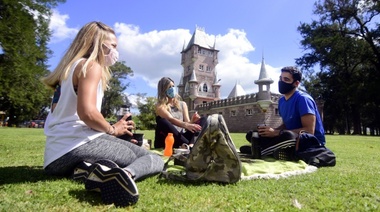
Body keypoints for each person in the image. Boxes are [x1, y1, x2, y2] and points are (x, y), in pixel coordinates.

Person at [41, 21, 164, 207]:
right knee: (153, 158)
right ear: (98, 44)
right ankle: (124, 175)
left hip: (54, 158)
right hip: (77, 144)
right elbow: (87, 113)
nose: (116, 51)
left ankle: (86, 171)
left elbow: (77, 115)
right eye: (113, 46)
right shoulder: (91, 66)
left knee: (127, 150)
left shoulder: (68, 69)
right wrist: (113, 129)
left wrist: (112, 131)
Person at [240, 66, 326, 160]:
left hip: (309, 142)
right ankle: (271, 150)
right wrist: (271, 131)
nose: (281, 82)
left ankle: (261, 151)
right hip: (288, 137)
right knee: (253, 134)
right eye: (280, 78)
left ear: (296, 83)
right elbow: (286, 124)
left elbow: (309, 131)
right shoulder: (281, 101)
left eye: (286, 79)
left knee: (287, 136)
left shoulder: (303, 99)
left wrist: (277, 133)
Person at [154, 77, 205, 149]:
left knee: (203, 119)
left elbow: (188, 124)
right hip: (167, 139)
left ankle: (190, 145)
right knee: (162, 121)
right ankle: (188, 146)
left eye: (173, 86)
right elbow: (170, 119)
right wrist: (186, 124)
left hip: (180, 137)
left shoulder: (182, 104)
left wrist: (193, 121)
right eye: (169, 87)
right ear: (163, 90)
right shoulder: (160, 106)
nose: (172, 89)